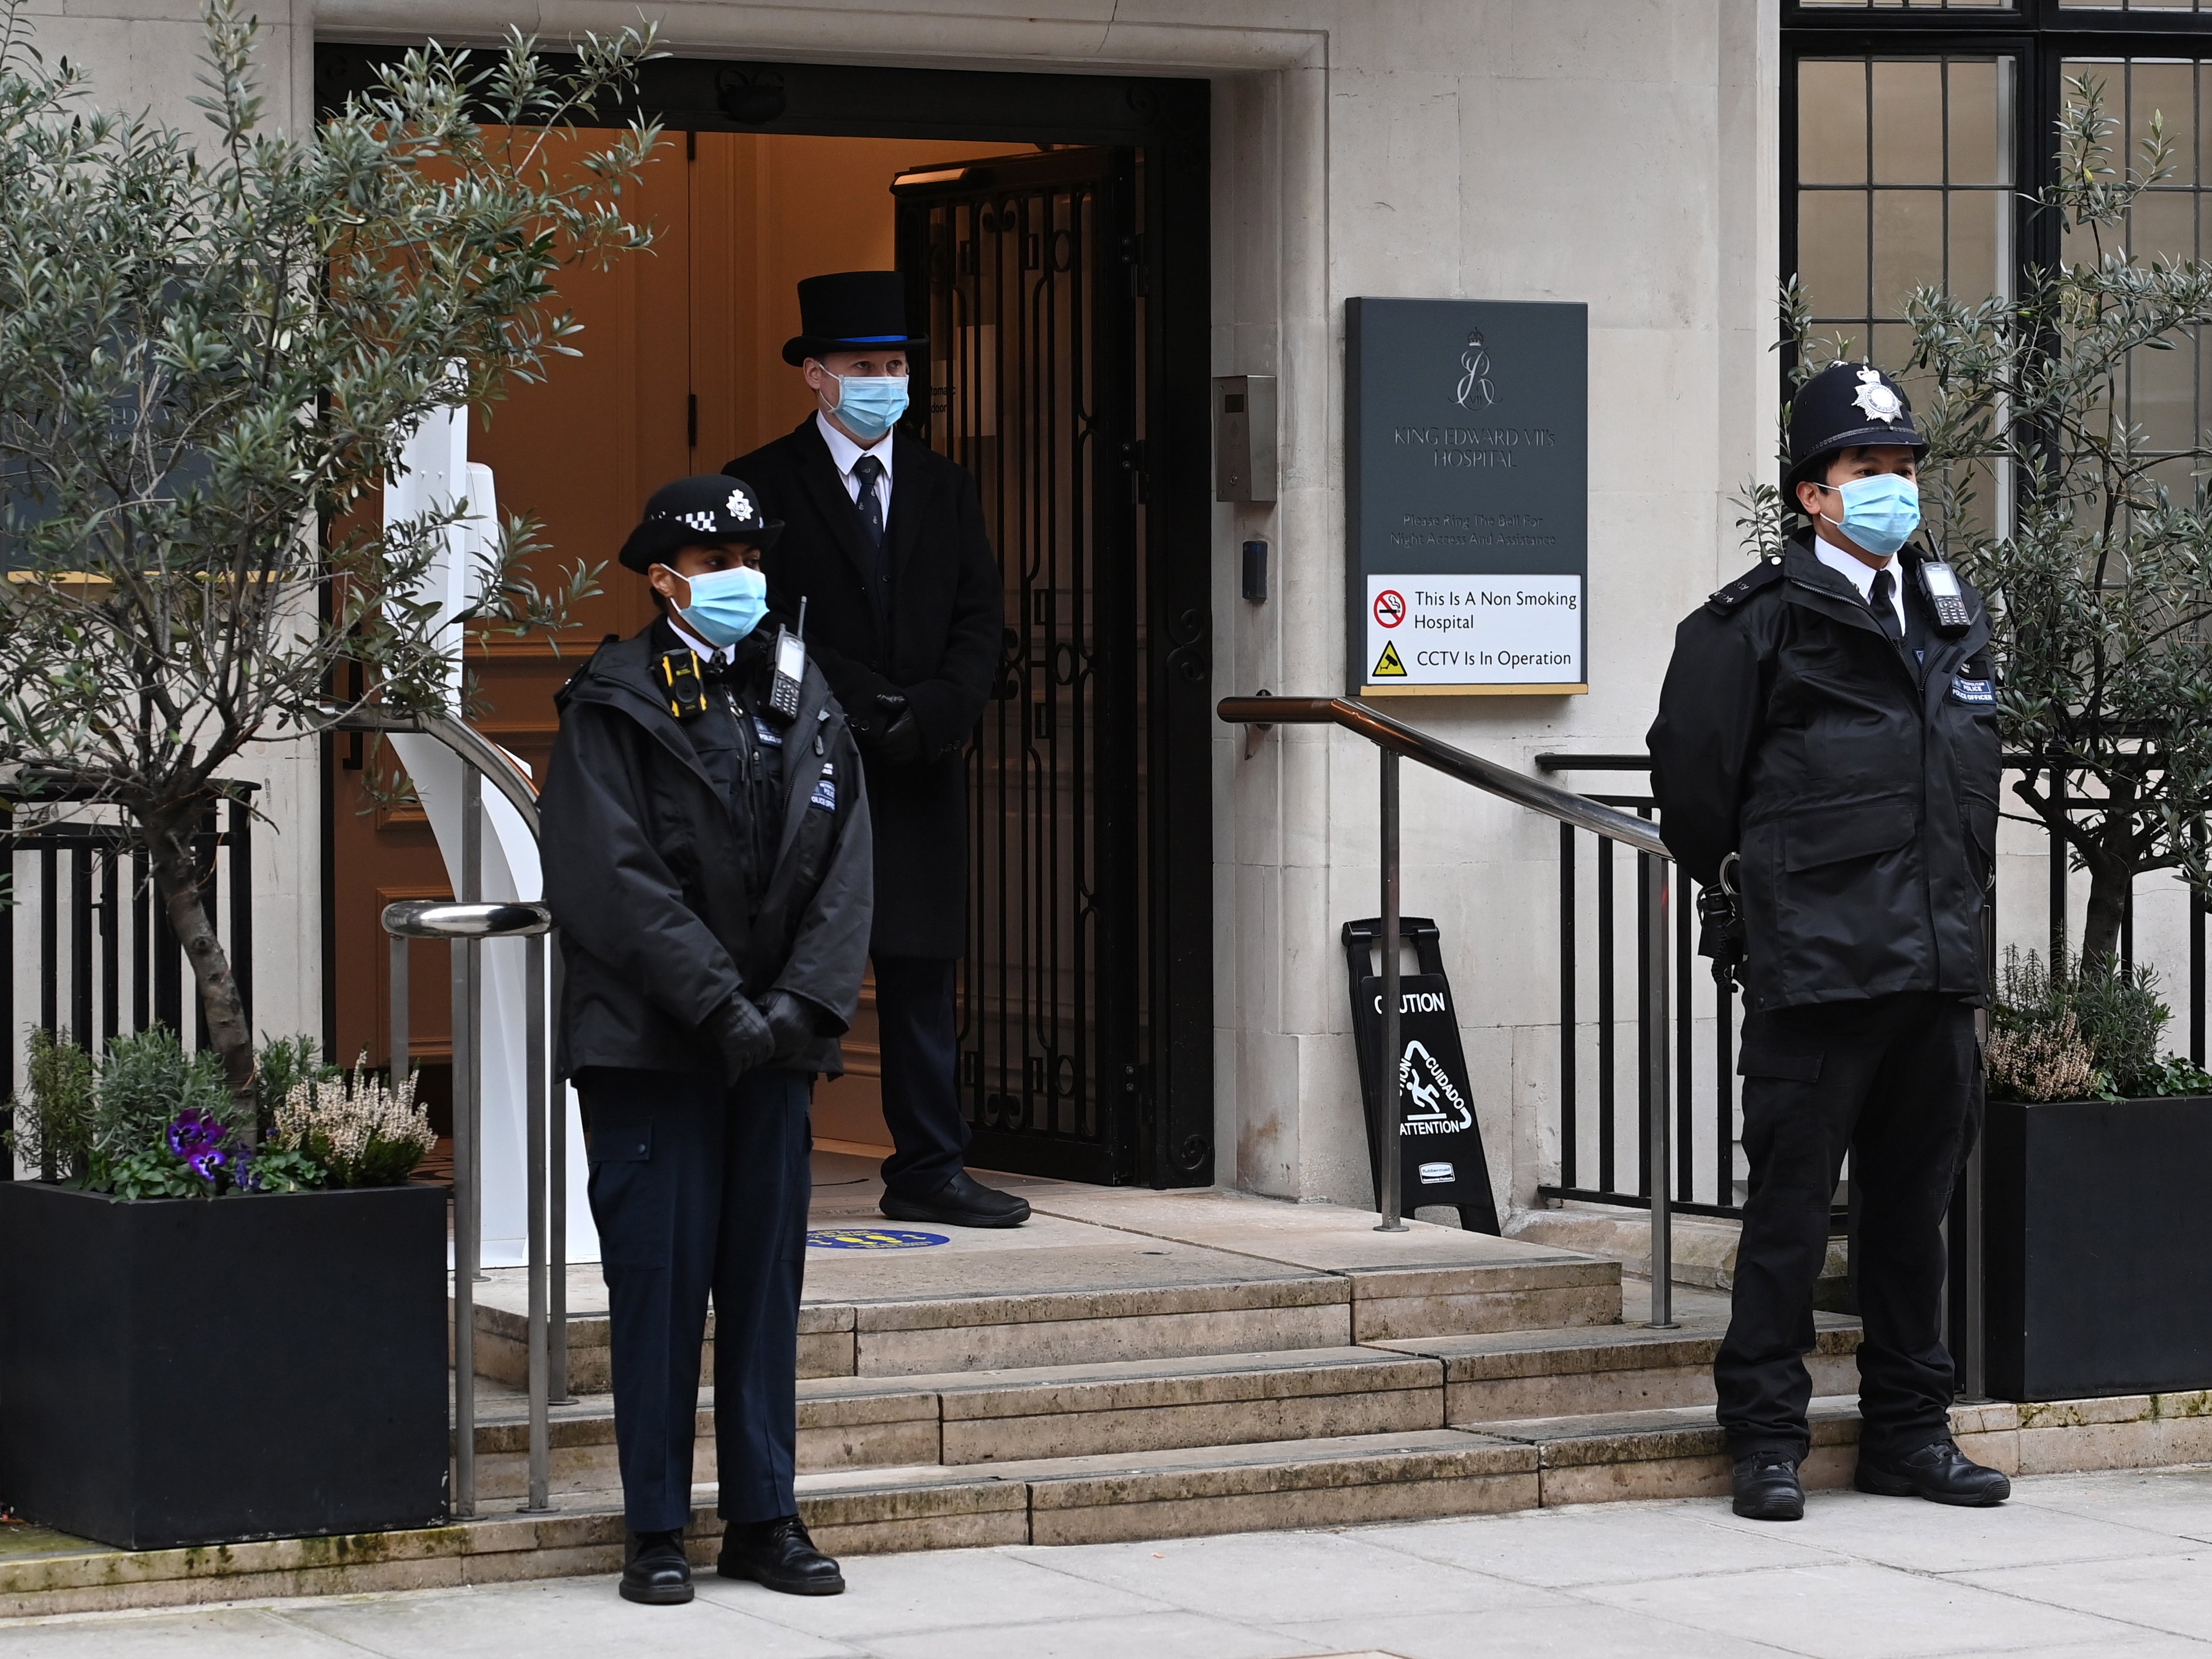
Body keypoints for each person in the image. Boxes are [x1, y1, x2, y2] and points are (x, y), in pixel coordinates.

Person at [1647, 361, 2011, 1523]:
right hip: (1816, 969)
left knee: (1911, 1221)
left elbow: (1960, 778)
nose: (1892, 485)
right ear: (1812, 492)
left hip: (1932, 965)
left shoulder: (1949, 610)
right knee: (1790, 1217)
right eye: (1867, 468)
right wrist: (1764, 907)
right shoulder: (1748, 625)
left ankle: (1909, 1432)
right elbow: (1693, 794)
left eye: (1904, 466)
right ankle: (1763, 1437)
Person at [541, 474, 873, 1605]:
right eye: (715, 556)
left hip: (771, 1048)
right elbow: (613, 883)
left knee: (763, 1286)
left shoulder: (799, 687)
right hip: (653, 1046)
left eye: (749, 551)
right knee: (660, 1286)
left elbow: (843, 861)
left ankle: (764, 1516)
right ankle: (654, 1529)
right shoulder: (612, 700)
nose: (739, 573)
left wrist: (792, 1011)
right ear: (662, 576)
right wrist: (721, 1006)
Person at [724, 270, 1027, 1230]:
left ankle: (931, 1162)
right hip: (806, 762)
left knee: (921, 968)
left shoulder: (945, 486)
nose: (883, 381)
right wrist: (858, 705)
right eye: (863, 366)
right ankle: (774, 1158)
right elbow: (756, 620)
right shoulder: (760, 483)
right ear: (816, 376)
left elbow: (981, 617)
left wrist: (935, 712)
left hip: (922, 764)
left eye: (894, 365)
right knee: (790, 960)